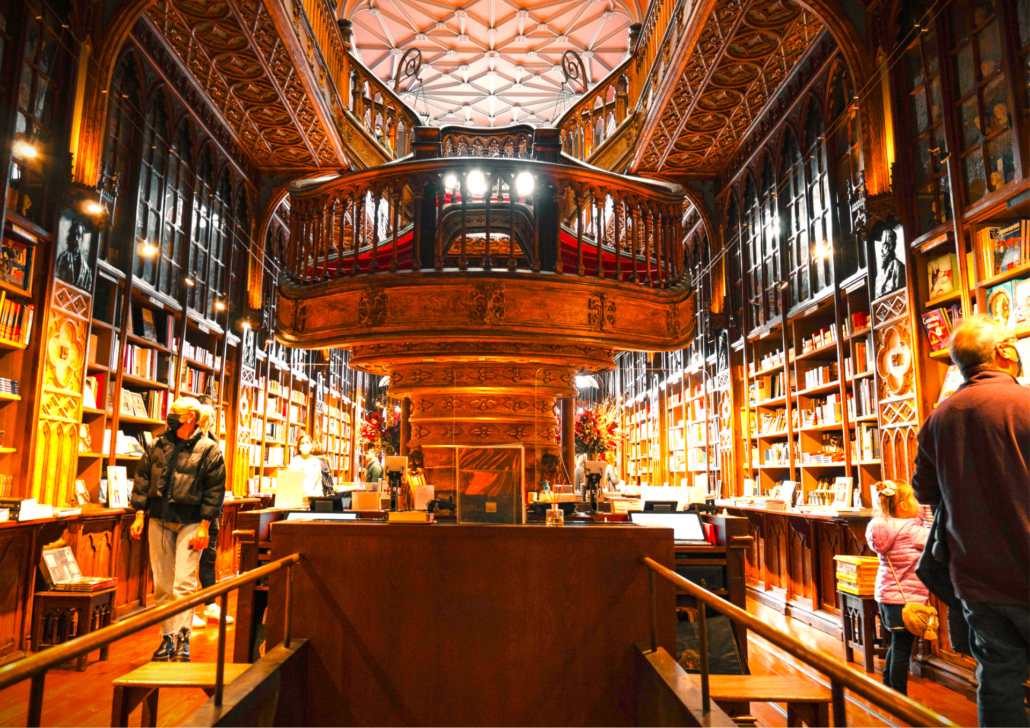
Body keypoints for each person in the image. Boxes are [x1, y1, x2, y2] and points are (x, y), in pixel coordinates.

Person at [912, 314, 1030, 727]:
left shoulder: (938, 418)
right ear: (1005, 351)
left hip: (976, 576)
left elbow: (923, 492)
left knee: (997, 679)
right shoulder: (1026, 404)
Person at [129, 397, 226, 663]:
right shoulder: (157, 444)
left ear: (190, 417)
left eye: (175, 411)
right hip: (159, 520)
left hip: (192, 522)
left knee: (184, 583)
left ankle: (184, 638)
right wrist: (139, 515)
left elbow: (215, 491)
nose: (169, 414)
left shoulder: (209, 449)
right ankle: (166, 638)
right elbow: (142, 480)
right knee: (162, 584)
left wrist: (205, 525)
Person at [865, 480, 930, 696]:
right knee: (903, 649)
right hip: (905, 600)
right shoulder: (911, 531)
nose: (918, 504)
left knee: (896, 642)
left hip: (886, 597)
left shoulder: (882, 527)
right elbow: (933, 539)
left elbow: (912, 516)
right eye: (914, 500)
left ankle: (887, 688)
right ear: (902, 506)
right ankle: (899, 697)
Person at [192, 397, 232, 630]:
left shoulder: (214, 441)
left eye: (214, 414)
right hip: (195, 511)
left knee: (209, 558)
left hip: (213, 510)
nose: (213, 418)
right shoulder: (189, 442)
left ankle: (210, 605)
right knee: (189, 561)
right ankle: (187, 609)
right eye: (209, 414)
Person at [55, 219, 93, 291]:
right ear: (70, 237)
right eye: (74, 235)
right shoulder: (62, 258)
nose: (76, 239)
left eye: (79, 235)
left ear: (82, 239)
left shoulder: (86, 270)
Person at [288, 433, 324, 498]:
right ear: (299, 447)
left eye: (307, 442)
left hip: (312, 498)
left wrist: (317, 495)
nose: (305, 445)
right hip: (298, 498)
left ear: (311, 446)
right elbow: (292, 482)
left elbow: (318, 481)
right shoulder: (295, 461)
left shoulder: (316, 461)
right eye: (302, 443)